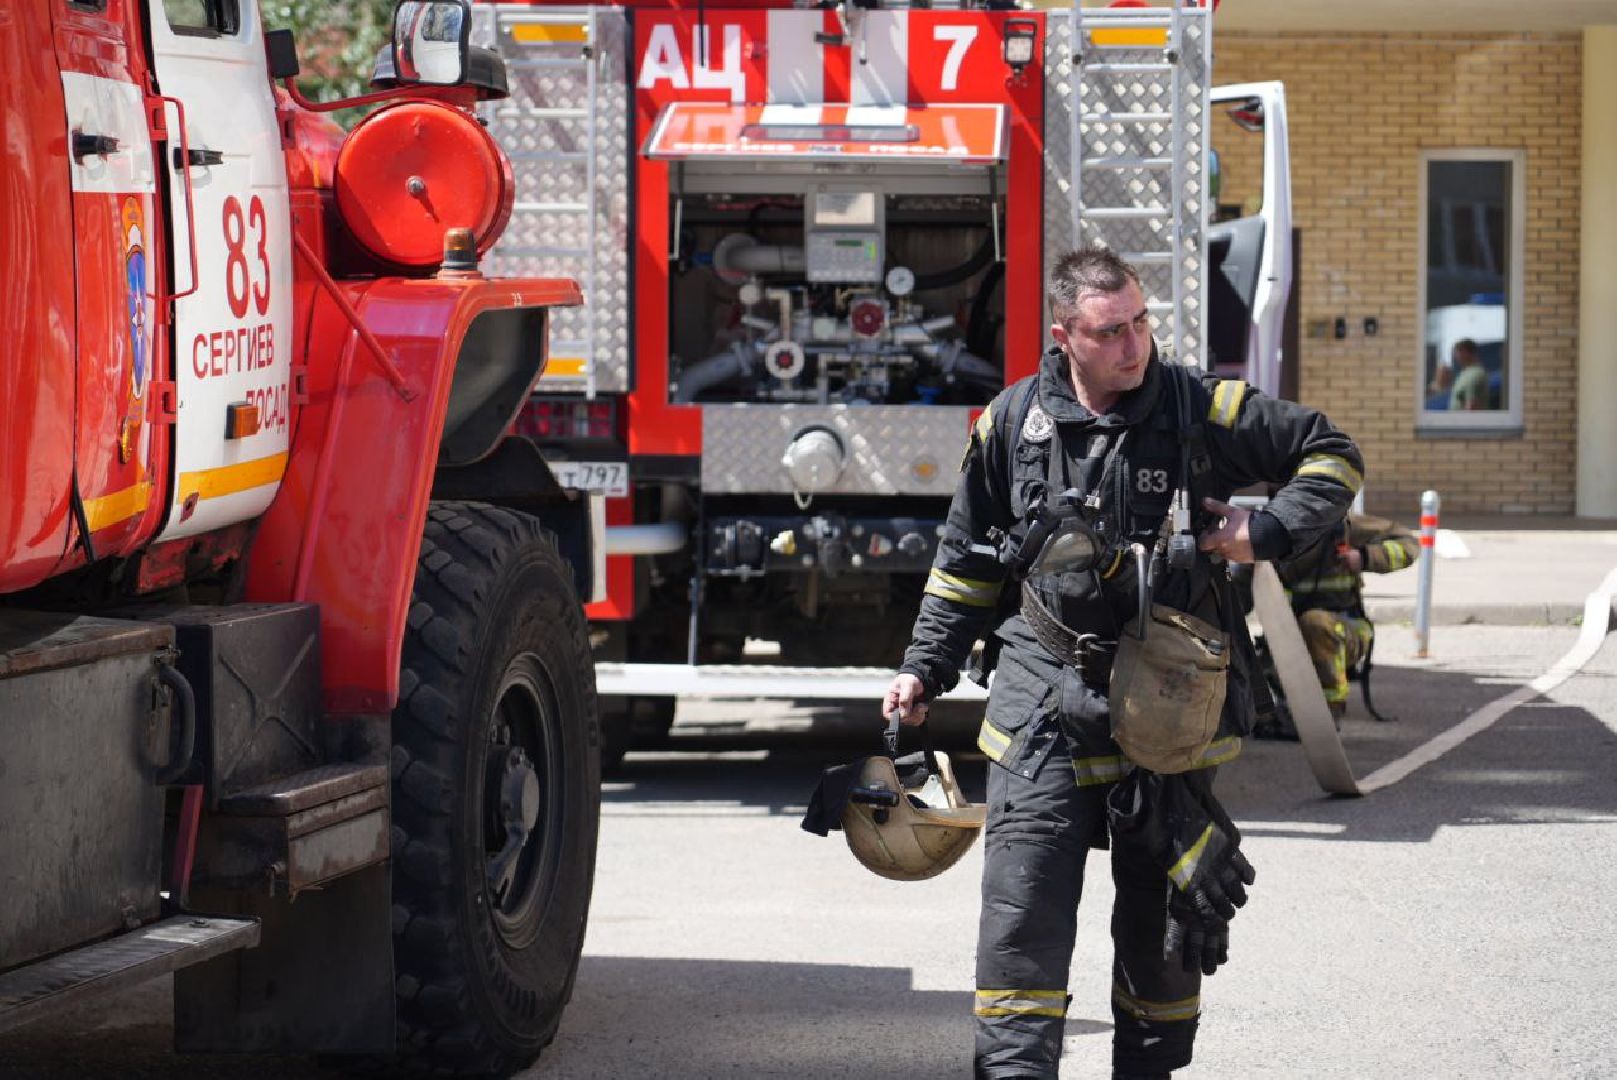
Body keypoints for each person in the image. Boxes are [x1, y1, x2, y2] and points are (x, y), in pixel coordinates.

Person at [880, 247, 1363, 1080]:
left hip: (1168, 702)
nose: (1134, 345)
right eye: (1111, 331)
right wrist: (925, 666)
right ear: (1064, 335)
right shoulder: (1009, 424)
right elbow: (964, 562)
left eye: (1140, 322)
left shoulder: (1201, 407)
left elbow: (1330, 452)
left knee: (1165, 926)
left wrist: (1269, 530)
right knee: (1020, 915)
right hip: (1041, 693)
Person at [1277, 513, 1418, 721]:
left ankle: (1327, 710)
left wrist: (1364, 557)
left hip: (1345, 628)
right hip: (1291, 633)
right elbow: (1242, 593)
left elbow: (1408, 543)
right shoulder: (1272, 535)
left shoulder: (1344, 526)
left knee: (1315, 622)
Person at [1447, 338, 1489, 411]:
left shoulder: (1475, 375)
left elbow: (1472, 406)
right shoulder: (1465, 373)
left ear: (1466, 352)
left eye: (1458, 352)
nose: (1456, 356)